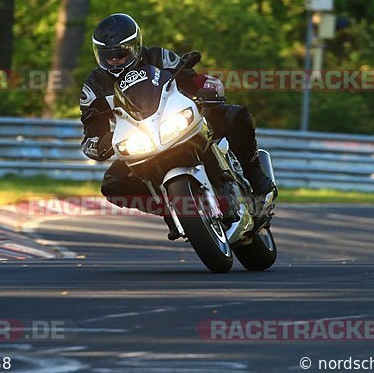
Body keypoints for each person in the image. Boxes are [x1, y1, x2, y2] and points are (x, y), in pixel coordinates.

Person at [79, 12, 276, 239]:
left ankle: (256, 177)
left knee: (236, 116)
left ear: (134, 47)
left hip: (177, 119)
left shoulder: (158, 57)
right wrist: (99, 143)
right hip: (141, 141)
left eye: (120, 55)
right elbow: (90, 131)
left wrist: (206, 86)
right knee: (113, 185)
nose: (114, 61)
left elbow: (190, 78)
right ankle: (172, 211)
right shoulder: (93, 88)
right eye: (107, 57)